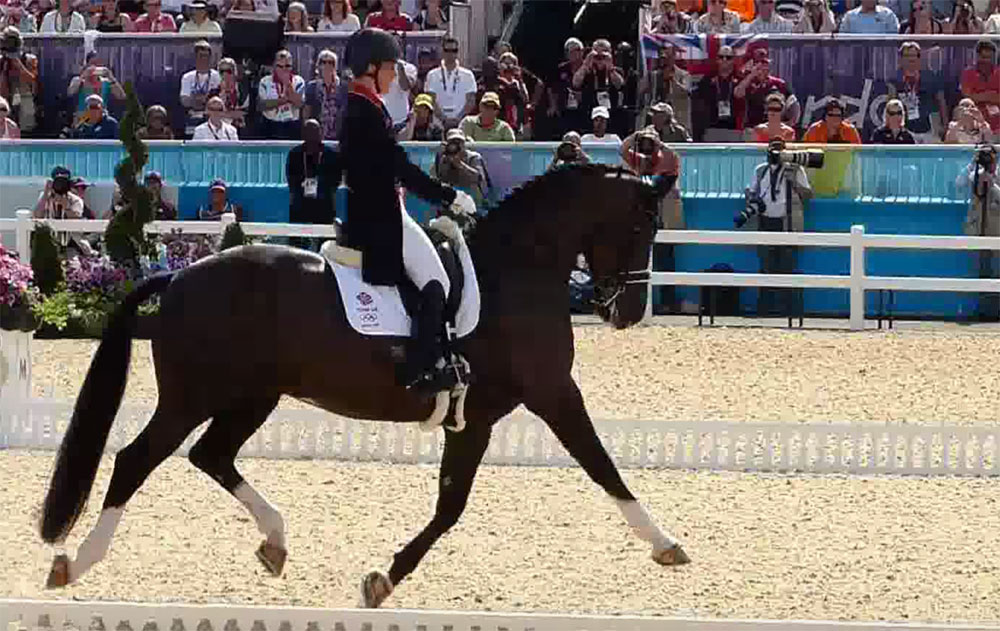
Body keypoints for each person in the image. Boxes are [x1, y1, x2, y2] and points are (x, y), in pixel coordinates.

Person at [340, 27, 476, 397]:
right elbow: (398, 165)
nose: (392, 75)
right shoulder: (363, 109)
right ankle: (422, 369)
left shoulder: (366, 104)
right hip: (380, 216)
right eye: (388, 67)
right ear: (371, 67)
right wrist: (448, 197)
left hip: (380, 208)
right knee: (437, 282)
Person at [738, 138, 813, 316]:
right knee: (766, 265)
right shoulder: (761, 170)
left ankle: (788, 309)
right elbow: (750, 192)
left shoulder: (795, 169)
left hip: (787, 222)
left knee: (787, 265)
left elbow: (808, 195)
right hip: (765, 221)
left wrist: (793, 181)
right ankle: (766, 308)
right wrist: (752, 199)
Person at [957, 143, 999, 319]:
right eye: (984, 155)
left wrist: (993, 183)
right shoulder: (973, 173)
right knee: (980, 271)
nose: (987, 159)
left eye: (989, 155)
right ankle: (981, 310)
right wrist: (972, 164)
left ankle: (996, 311)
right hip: (978, 228)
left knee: (997, 273)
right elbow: (958, 183)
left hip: (996, 229)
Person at [286, 119, 340, 251]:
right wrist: (302, 185)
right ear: (303, 134)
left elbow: (336, 179)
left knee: (326, 234)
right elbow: (291, 177)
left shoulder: (331, 154)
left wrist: (320, 186)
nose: (312, 136)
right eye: (308, 132)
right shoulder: (295, 154)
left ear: (320, 133)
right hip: (301, 200)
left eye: (315, 132)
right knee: (296, 214)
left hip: (323, 201)